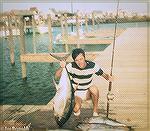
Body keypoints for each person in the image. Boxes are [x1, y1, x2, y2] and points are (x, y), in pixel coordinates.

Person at [55, 48, 112, 117]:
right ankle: (77, 112)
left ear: (84, 57)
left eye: (81, 59)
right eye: (76, 60)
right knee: (76, 109)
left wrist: (108, 77)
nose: (79, 62)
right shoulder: (71, 66)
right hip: (76, 93)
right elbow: (57, 76)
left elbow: (105, 76)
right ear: (74, 61)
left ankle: (95, 111)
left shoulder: (92, 66)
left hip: (88, 92)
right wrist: (61, 67)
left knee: (94, 89)